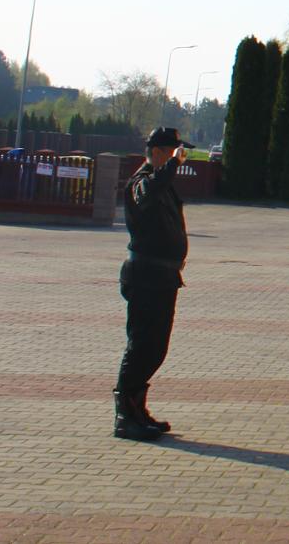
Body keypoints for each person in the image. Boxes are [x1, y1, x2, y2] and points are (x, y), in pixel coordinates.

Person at [113, 127, 194, 441]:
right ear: (159, 152)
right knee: (141, 346)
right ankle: (124, 415)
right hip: (145, 277)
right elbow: (150, 194)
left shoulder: (162, 183)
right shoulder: (141, 182)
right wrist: (171, 166)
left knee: (156, 347)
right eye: (174, 151)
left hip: (164, 277)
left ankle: (138, 408)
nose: (179, 157)